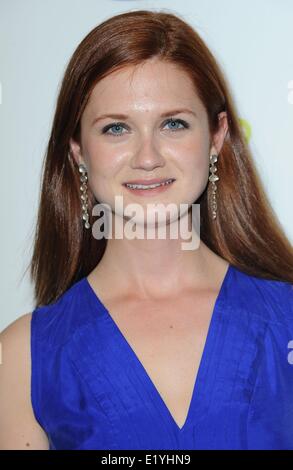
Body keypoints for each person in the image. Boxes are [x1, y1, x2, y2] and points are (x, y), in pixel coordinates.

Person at [0, 9, 292, 451]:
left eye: (173, 123)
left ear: (216, 135)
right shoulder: (22, 358)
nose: (147, 156)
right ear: (78, 149)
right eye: (116, 128)